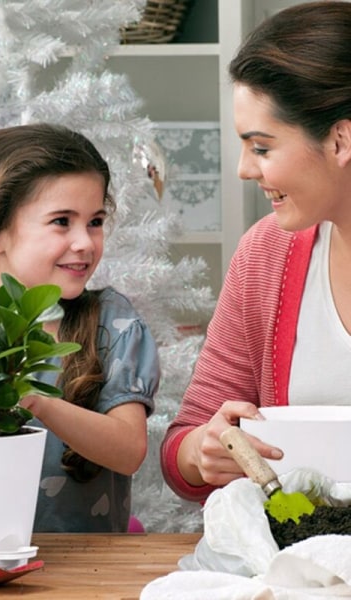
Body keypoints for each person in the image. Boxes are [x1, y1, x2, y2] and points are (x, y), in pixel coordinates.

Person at [161, 1, 351, 503]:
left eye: (262, 147)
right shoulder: (267, 253)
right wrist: (207, 452)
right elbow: (186, 442)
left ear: (341, 139)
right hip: (301, 567)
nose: (245, 169)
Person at [0, 122, 160, 531]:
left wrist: (36, 401)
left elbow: (129, 450)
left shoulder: (113, 322)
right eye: (62, 221)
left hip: (87, 568)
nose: (86, 242)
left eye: (95, 221)